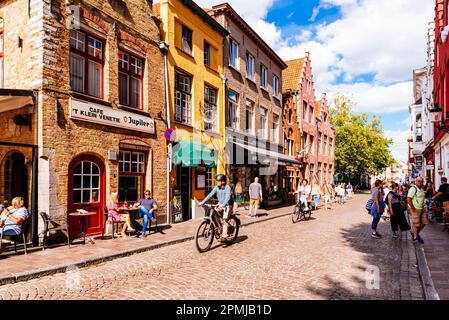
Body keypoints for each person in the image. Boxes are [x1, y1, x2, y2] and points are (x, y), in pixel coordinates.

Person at [200, 174, 234, 242]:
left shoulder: (227, 188)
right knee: (213, 213)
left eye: (218, 181)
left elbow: (228, 197)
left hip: (228, 205)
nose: (217, 182)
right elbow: (210, 195)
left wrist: (223, 204)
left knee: (224, 219)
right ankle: (218, 227)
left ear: (223, 182)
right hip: (220, 204)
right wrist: (202, 202)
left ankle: (224, 236)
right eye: (217, 181)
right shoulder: (216, 188)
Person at [407, 177, 428, 244]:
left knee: (424, 222)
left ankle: (414, 233)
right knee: (416, 224)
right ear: (416, 182)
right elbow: (408, 199)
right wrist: (413, 208)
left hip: (422, 208)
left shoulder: (422, 189)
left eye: (421, 181)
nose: (420, 182)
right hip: (415, 208)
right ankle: (416, 237)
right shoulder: (413, 189)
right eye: (418, 181)